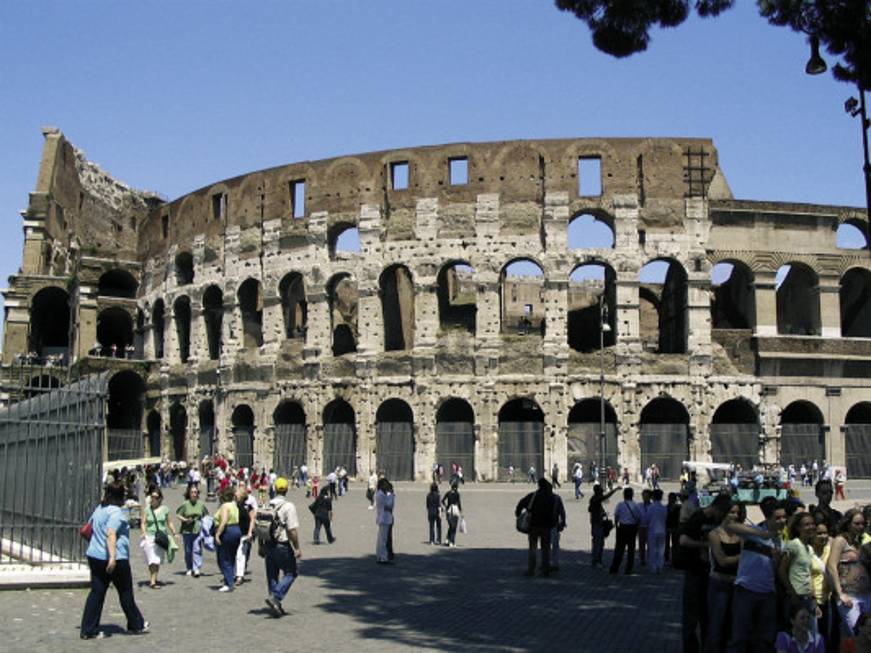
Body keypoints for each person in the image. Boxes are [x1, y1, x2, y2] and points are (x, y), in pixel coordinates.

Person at [80, 480, 148, 639]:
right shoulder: (117, 513)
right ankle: (135, 624)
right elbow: (111, 533)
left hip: (94, 555)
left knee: (96, 593)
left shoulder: (99, 509)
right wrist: (112, 558)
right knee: (125, 592)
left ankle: (88, 628)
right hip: (115, 558)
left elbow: (90, 527)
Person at [724, 498, 788, 652]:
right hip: (746, 591)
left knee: (764, 640)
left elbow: (776, 569)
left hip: (767, 594)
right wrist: (762, 533)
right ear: (768, 518)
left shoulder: (782, 540)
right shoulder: (755, 531)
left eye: (784, 517)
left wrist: (777, 558)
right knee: (739, 638)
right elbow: (730, 526)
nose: (782, 521)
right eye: (777, 518)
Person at [679, 492, 733, 653]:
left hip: (707, 575)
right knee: (691, 618)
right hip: (694, 573)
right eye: (722, 513)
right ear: (716, 508)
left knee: (706, 617)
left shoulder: (714, 520)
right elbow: (683, 540)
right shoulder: (698, 518)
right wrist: (705, 545)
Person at [706, 502, 744, 653]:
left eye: (737, 513)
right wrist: (744, 555)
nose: (735, 516)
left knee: (734, 628)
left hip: (736, 584)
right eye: (731, 512)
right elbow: (721, 561)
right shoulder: (714, 534)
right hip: (719, 584)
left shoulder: (740, 534)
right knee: (716, 628)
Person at [828, 508, 871, 637]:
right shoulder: (840, 541)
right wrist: (840, 593)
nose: (860, 527)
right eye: (856, 523)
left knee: (866, 635)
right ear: (847, 523)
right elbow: (831, 566)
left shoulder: (859, 543)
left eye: (862, 524)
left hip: (865, 595)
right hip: (849, 596)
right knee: (857, 632)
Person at [264, 477, 302, 617]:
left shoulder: (267, 505)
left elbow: (262, 526)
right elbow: (292, 530)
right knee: (291, 572)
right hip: (282, 545)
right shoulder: (288, 506)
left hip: (268, 544)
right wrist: (297, 547)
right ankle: (276, 597)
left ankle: (275, 604)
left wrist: (261, 546)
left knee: (273, 575)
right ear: (286, 489)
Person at [779, 512, 822, 636]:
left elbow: (808, 574)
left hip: (808, 598)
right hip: (796, 598)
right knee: (796, 636)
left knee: (811, 635)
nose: (811, 527)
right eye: (806, 525)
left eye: (812, 524)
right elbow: (781, 570)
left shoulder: (809, 548)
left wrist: (814, 600)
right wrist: (792, 592)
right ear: (798, 527)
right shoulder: (793, 545)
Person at [515, 478, 557, 577]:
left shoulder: (533, 496)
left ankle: (531, 570)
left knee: (533, 548)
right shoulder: (550, 497)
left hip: (533, 525)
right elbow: (554, 512)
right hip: (546, 526)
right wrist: (553, 523)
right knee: (545, 548)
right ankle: (545, 569)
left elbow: (521, 503)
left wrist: (518, 514)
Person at [139, 486, 176, 589]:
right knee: (151, 559)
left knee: (157, 559)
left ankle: (154, 579)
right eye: (152, 497)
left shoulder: (165, 509)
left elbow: (169, 522)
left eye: (155, 497)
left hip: (160, 537)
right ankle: (152, 580)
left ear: (160, 498)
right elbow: (143, 523)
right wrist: (143, 532)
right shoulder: (147, 509)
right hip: (150, 536)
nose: (153, 499)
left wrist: (174, 532)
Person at [176, 484, 208, 577]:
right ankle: (189, 567)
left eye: (195, 492)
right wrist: (185, 520)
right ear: (189, 494)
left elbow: (206, 515)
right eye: (192, 492)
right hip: (187, 530)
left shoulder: (201, 504)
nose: (194, 494)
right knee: (188, 550)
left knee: (197, 549)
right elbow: (178, 514)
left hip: (197, 529)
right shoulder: (185, 504)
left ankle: (196, 568)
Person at [214, 486, 242, 592]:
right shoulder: (234, 505)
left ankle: (229, 582)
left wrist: (217, 534)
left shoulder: (225, 506)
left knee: (223, 558)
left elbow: (224, 520)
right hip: (236, 529)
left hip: (228, 531)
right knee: (231, 557)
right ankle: (230, 579)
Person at [609, 486, 642, 576]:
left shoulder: (620, 504)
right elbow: (639, 518)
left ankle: (614, 568)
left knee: (619, 549)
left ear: (624, 495)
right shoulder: (636, 505)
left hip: (622, 528)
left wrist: (616, 525)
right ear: (632, 495)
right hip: (632, 528)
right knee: (631, 549)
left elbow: (616, 516)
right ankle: (628, 569)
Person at [589, 483, 619, 566]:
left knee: (597, 542)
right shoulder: (596, 499)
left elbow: (591, 512)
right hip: (597, 524)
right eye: (601, 491)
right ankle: (597, 560)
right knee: (598, 543)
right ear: (598, 492)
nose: (602, 492)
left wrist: (603, 514)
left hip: (596, 523)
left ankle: (596, 559)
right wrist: (615, 490)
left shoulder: (593, 499)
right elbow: (607, 496)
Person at [235, 485, 257, 585]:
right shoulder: (233, 505)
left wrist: (249, 532)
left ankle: (239, 575)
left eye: (237, 494)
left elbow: (252, 519)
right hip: (234, 533)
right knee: (234, 554)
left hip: (244, 533)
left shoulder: (248, 507)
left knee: (241, 554)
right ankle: (234, 573)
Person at [644, 488, 668, 574]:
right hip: (662, 530)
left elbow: (646, 519)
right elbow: (665, 518)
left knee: (653, 550)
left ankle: (653, 568)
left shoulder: (651, 507)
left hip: (652, 530)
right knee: (661, 550)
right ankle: (660, 567)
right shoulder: (664, 508)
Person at [375, 478, 395, 563]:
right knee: (383, 539)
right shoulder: (381, 495)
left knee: (380, 539)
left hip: (382, 517)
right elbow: (388, 506)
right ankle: (383, 557)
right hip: (384, 518)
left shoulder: (380, 494)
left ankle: (380, 555)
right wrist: (391, 496)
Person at [550, 489, 567, 572]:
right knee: (555, 545)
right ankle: (554, 563)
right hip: (553, 524)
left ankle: (545, 562)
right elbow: (562, 511)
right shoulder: (557, 498)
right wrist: (563, 522)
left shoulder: (538, 496)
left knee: (545, 545)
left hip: (543, 525)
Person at [442, 482, 463, 547]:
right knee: (454, 527)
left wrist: (446, 506)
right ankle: (452, 541)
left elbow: (442, 501)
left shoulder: (448, 493)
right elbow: (459, 503)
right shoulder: (457, 494)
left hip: (448, 510)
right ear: (456, 488)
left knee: (451, 526)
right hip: (454, 510)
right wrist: (461, 511)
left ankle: (447, 539)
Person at [665, 492, 681, 565]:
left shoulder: (667, 507)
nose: (670, 500)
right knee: (669, 545)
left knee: (674, 545)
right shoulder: (678, 508)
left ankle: (673, 559)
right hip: (671, 528)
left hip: (673, 528)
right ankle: (668, 559)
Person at [637, 489, 652, 566]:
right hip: (641, 527)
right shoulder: (639, 505)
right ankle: (642, 559)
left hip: (650, 528)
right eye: (643, 496)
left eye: (646, 496)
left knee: (650, 544)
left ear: (650, 497)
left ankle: (650, 559)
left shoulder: (652, 506)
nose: (644, 498)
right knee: (641, 544)